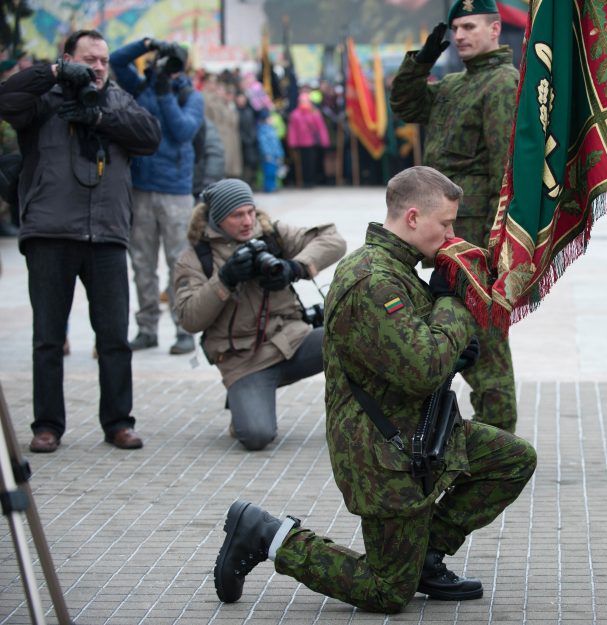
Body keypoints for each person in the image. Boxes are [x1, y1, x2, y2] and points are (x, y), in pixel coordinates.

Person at [212, 166, 537, 612]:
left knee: (512, 460)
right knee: (386, 592)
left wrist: (455, 347)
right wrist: (452, 307)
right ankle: (268, 536)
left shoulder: (398, 269)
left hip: (417, 432)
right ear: (412, 217)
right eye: (445, 224)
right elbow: (422, 367)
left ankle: (423, 555)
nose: (451, 234)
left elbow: (410, 354)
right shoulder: (373, 280)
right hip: (381, 452)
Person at [0, 29, 160, 452]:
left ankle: (119, 424)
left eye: (104, 60)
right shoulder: (44, 100)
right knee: (48, 338)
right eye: (89, 59)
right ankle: (47, 426)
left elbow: (149, 136)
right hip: (50, 233)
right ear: (68, 57)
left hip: (107, 234)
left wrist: (100, 117)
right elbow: (6, 99)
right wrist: (52, 74)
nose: (99, 67)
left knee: (113, 338)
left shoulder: (113, 99)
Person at [390, 0, 519, 432]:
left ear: (495, 29)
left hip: (473, 243)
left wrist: (493, 245)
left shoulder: (501, 83)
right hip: (442, 238)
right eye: (455, 29)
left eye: (469, 26)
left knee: (486, 343)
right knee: (451, 337)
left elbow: (507, 169)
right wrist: (423, 58)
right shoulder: (453, 86)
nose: (460, 36)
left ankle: (500, 437)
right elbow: (406, 105)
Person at [173, 178, 346, 451]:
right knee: (256, 436)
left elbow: (333, 240)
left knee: (352, 337)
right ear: (217, 219)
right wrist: (224, 281)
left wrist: (294, 268)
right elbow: (190, 319)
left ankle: (360, 419)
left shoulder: (269, 234)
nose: (247, 221)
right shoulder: (195, 259)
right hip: (244, 361)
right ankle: (246, 399)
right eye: (237, 215)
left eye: (250, 211)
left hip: (293, 341)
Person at [110, 37, 205, 356]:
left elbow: (182, 132)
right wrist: (147, 44)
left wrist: (166, 93)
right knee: (141, 262)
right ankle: (146, 328)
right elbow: (116, 61)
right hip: (141, 187)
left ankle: (183, 329)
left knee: (179, 262)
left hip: (176, 191)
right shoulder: (140, 88)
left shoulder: (190, 96)